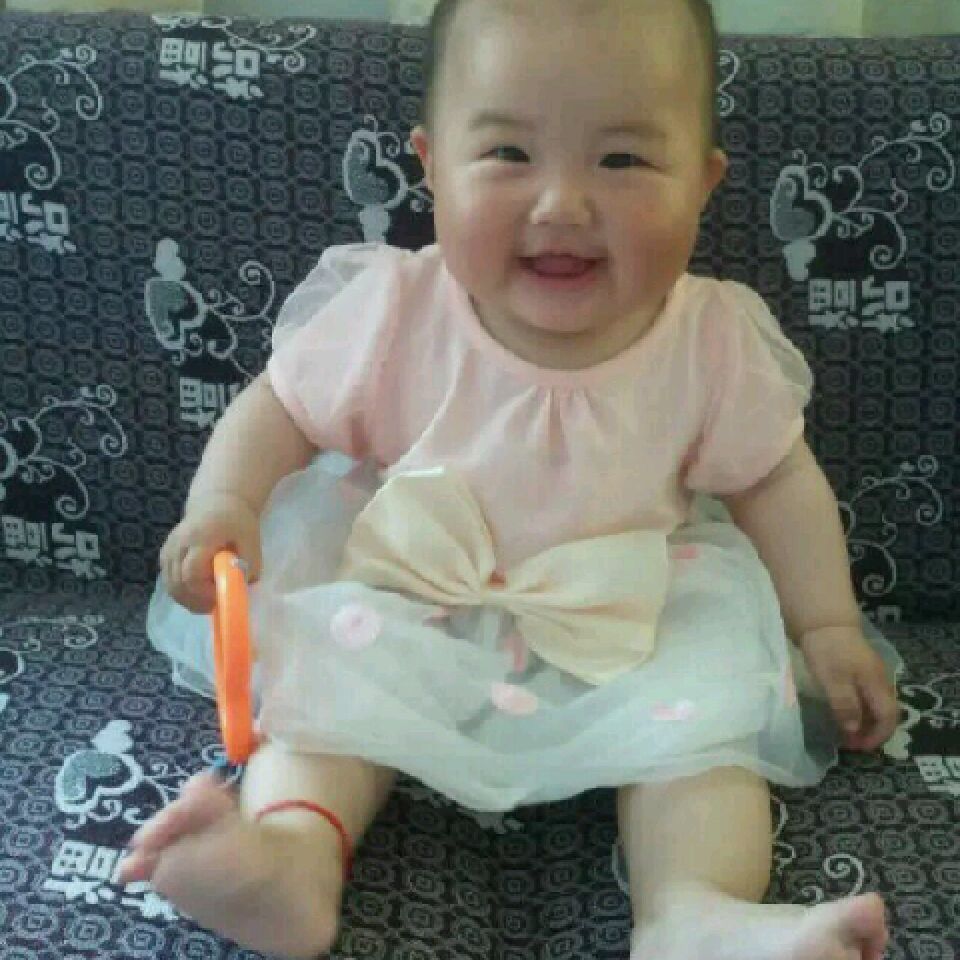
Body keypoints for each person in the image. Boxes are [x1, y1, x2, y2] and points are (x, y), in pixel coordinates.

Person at [119, 0, 903, 958]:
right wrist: (226, 503)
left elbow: (777, 480)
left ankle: (693, 911)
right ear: (431, 166)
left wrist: (826, 625)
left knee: (709, 742)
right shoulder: (396, 309)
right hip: (408, 595)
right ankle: (291, 860)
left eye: (622, 159)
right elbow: (278, 407)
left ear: (702, 186)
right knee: (324, 705)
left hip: (632, 613)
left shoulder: (711, 338)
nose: (562, 203)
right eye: (507, 154)